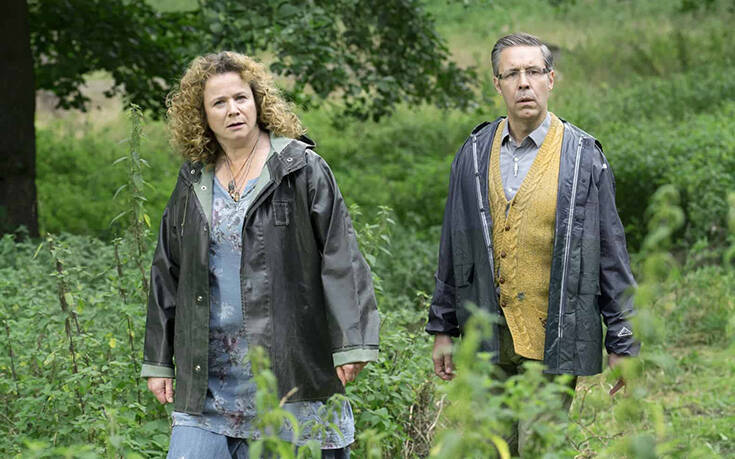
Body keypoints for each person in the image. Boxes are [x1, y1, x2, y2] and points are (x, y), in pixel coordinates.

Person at [141, 51, 379, 458]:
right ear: (202, 115)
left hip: (288, 371)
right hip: (208, 379)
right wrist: (159, 360)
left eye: (241, 97)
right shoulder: (194, 179)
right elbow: (168, 270)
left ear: (258, 101)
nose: (233, 110)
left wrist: (351, 342)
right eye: (219, 102)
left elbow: (341, 257)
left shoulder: (300, 167)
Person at [426, 33, 640, 455]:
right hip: (487, 337)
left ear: (550, 79)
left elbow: (611, 255)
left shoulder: (584, 156)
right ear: (497, 84)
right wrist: (443, 328)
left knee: (538, 449)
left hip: (554, 334)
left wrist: (624, 340)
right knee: (492, 448)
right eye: (512, 74)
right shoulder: (473, 153)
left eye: (533, 72)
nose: (523, 83)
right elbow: (454, 245)